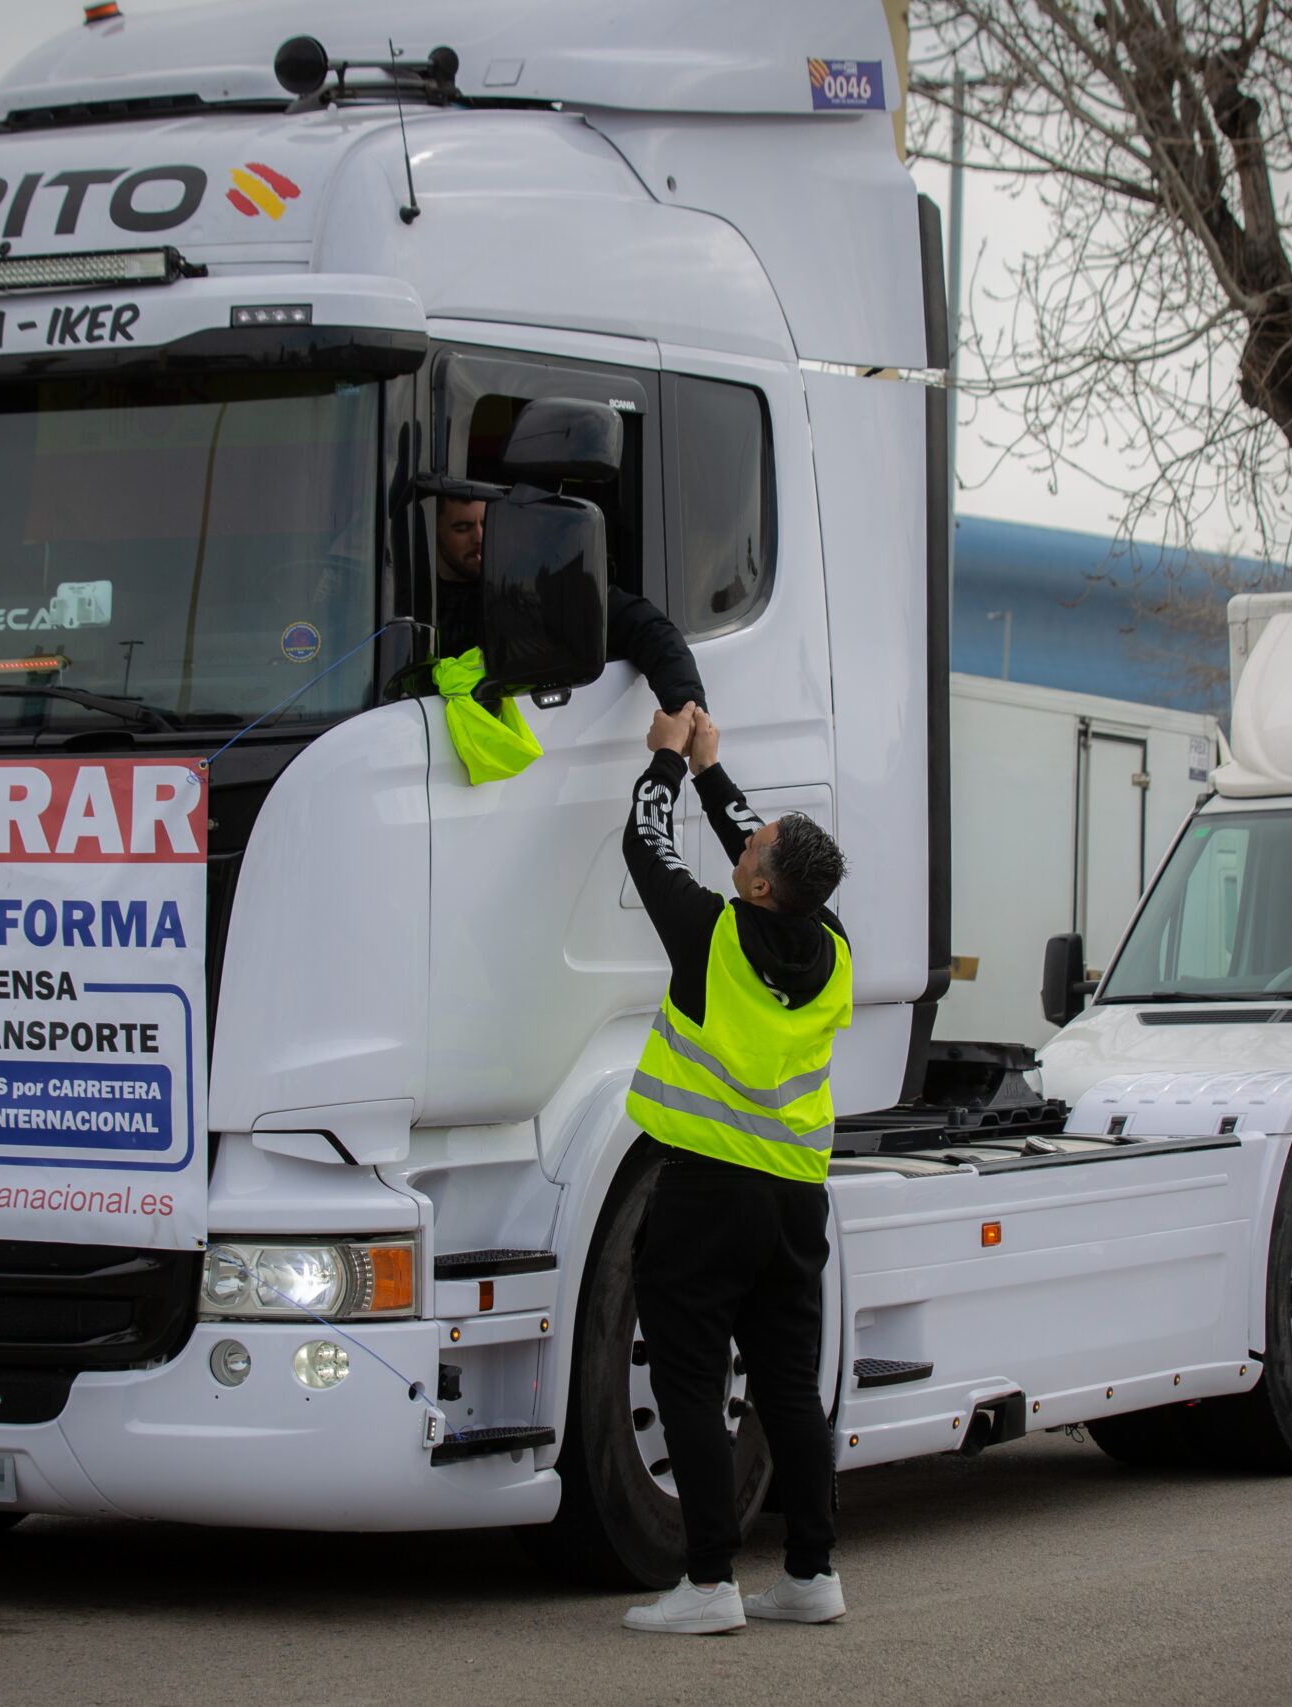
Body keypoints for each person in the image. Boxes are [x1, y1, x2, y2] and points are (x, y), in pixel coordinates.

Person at [617, 700, 852, 1635]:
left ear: (756, 886)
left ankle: (710, 1582)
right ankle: (811, 1572)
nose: (745, 839)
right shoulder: (831, 946)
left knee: (688, 1377)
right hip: (795, 1199)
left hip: (708, 1191)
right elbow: (758, 855)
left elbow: (646, 844)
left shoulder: (711, 935)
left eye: (754, 846)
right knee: (788, 1385)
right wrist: (715, 773)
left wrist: (668, 762)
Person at [434, 492, 705, 714]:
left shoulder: (528, 588)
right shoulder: (421, 602)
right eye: (462, 528)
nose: (479, 538)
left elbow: (646, 627)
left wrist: (685, 709)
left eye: (486, 525)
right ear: (436, 532)